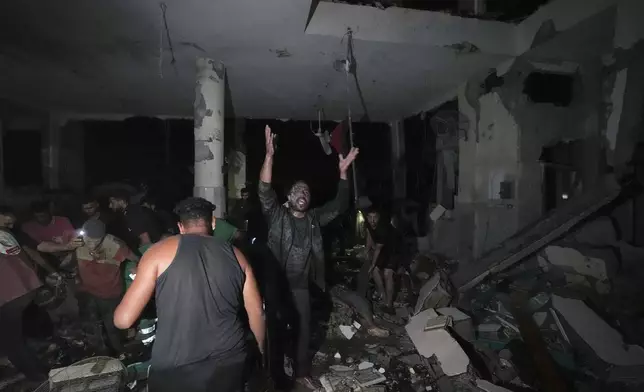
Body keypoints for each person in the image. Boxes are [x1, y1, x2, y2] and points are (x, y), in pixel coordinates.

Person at [113, 197, 265, 392]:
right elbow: (257, 313)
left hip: (175, 367)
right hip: (229, 361)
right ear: (212, 223)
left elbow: (123, 320)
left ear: (180, 226)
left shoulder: (157, 253)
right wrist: (261, 352)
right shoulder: (237, 255)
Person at [259, 124, 358, 389]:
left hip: (301, 286)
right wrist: (269, 156)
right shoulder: (277, 217)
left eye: (306, 192)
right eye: (297, 191)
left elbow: (339, 206)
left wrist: (343, 173)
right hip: (278, 285)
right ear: (288, 198)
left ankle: (302, 371)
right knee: (277, 331)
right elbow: (265, 192)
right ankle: (274, 372)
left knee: (304, 330)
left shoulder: (314, 218)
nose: (303, 194)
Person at [74, 219, 138, 354]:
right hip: (88, 292)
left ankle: (121, 353)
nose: (91, 245)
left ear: (103, 237)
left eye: (95, 241)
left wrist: (136, 267)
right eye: (88, 240)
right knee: (91, 326)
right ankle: (100, 353)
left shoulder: (115, 245)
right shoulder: (77, 242)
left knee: (112, 327)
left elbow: (136, 259)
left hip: (110, 294)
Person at [0, 213, 49, 384]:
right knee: (14, 337)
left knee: (12, 343)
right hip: (26, 288)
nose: (10, 223)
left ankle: (39, 378)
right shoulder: (5, 234)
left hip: (9, 295)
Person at [21, 200, 81, 268]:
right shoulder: (27, 227)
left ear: (50, 213)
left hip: (68, 254)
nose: (40, 219)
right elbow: (39, 247)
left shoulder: (63, 221)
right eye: (36, 217)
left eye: (43, 216)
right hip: (47, 258)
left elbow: (74, 239)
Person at [365, 208, 399, 314]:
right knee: (374, 270)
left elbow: (378, 249)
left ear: (378, 218)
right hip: (384, 251)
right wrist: (366, 252)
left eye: (375, 217)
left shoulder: (382, 228)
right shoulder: (368, 226)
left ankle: (389, 305)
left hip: (395, 250)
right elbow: (370, 239)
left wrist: (372, 264)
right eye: (370, 217)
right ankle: (383, 295)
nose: (372, 220)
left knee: (387, 273)